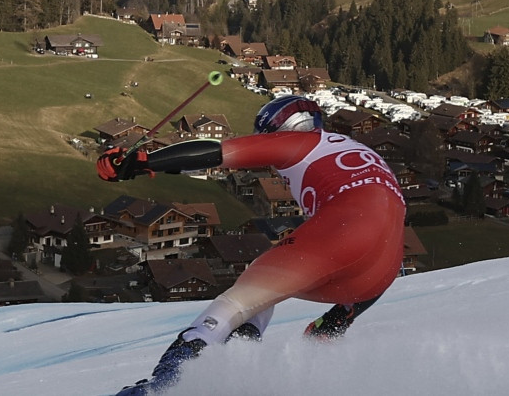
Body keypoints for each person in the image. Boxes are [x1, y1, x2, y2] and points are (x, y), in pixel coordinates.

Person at [96, 95, 406, 395]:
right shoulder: (359, 151)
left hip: (344, 233)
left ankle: (170, 382)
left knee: (247, 293)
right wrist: (337, 320)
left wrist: (141, 162)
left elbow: (215, 152)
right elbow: (378, 239)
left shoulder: (302, 142)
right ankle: (238, 364)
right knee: (271, 286)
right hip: (381, 270)